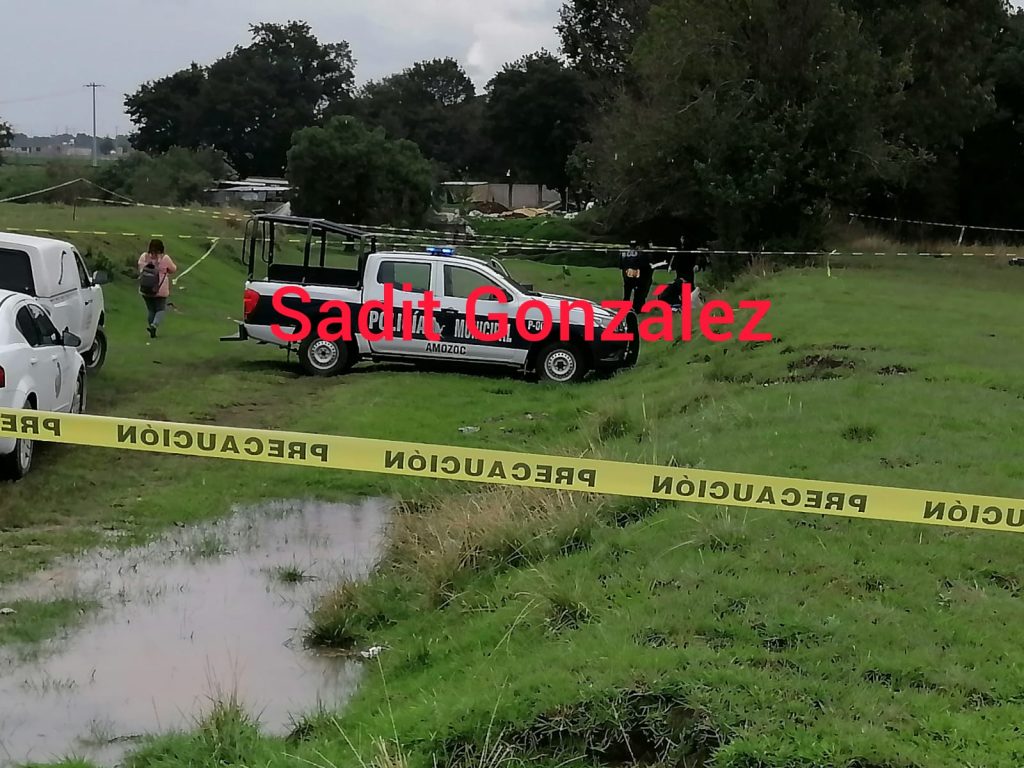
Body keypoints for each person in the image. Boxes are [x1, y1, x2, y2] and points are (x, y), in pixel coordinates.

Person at [137, 239, 177, 338]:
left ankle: (151, 328)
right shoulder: (165, 258)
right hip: (160, 289)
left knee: (151, 310)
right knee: (160, 309)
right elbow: (173, 269)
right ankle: (154, 326)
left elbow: (140, 268)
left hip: (146, 288)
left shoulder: (144, 257)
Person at [620, 240, 654, 314]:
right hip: (638, 276)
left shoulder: (624, 252)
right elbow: (645, 265)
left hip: (628, 275)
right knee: (639, 293)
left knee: (627, 293)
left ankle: (626, 307)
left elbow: (622, 264)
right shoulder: (642, 254)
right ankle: (637, 308)